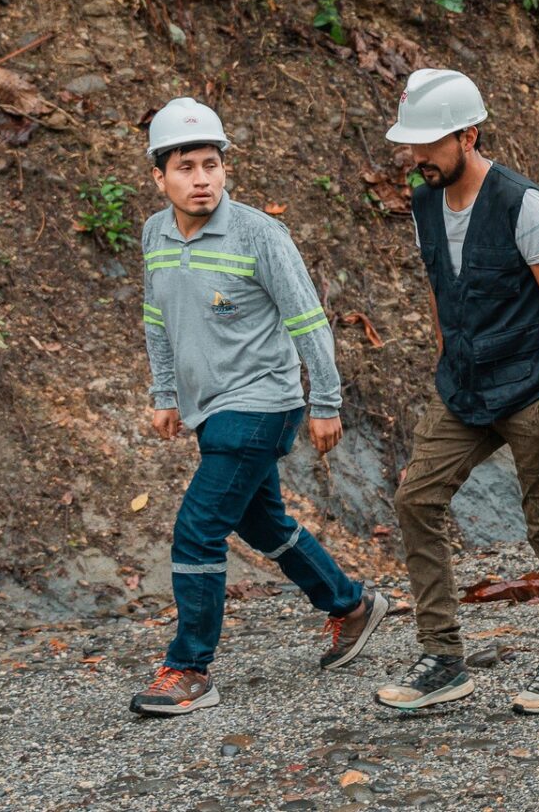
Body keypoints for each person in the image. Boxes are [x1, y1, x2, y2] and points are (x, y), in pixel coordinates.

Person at [132, 96, 385, 717]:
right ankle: (352, 604)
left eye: (211, 165)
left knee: (198, 528)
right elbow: (157, 320)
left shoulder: (259, 234)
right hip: (208, 406)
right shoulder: (155, 234)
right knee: (262, 523)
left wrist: (325, 401)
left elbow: (308, 320)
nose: (202, 179)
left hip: (263, 402)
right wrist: (165, 394)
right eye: (186, 167)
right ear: (159, 177)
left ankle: (189, 668)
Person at [374, 69, 539, 716]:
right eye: (410, 144)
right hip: (462, 388)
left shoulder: (525, 206)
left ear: (468, 136)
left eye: (429, 143)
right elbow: (440, 286)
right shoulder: (424, 204)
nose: (416, 156)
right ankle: (442, 659)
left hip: (529, 390)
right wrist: (446, 354)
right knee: (416, 499)